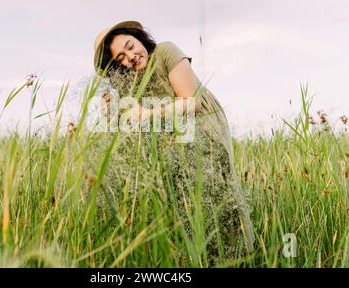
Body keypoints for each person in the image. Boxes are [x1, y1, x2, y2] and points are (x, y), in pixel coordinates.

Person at [93, 20, 255, 262]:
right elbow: (127, 126)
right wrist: (113, 108)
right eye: (121, 59)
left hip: (203, 126)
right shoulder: (130, 82)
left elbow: (192, 102)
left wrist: (146, 114)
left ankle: (239, 256)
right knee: (184, 199)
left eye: (130, 46)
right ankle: (202, 258)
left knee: (217, 193)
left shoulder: (165, 51)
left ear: (139, 38)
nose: (131, 57)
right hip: (174, 138)